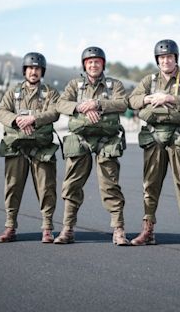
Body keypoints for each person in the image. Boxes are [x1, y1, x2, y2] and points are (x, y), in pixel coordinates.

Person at [128, 39, 180, 248]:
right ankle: (148, 230)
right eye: (162, 57)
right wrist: (150, 100)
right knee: (150, 184)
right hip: (154, 138)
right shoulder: (149, 81)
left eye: (169, 57)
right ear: (157, 60)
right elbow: (133, 101)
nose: (166, 60)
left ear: (175, 58)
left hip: (179, 137)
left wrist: (168, 98)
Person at [54, 46, 129, 245]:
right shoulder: (74, 84)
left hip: (107, 140)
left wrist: (98, 104)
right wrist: (80, 107)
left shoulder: (115, 85)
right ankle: (67, 229)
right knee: (72, 185)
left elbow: (123, 103)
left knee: (110, 185)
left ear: (103, 64)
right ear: (84, 65)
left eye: (97, 61)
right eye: (89, 62)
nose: (93, 65)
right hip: (80, 139)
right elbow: (61, 104)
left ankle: (118, 230)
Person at [0, 52, 60, 243]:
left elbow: (55, 111)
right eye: (30, 68)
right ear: (24, 70)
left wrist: (33, 119)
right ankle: (10, 227)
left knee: (47, 188)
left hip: (42, 148)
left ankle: (47, 228)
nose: (33, 71)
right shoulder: (14, 92)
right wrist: (17, 120)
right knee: (12, 187)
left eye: (37, 68)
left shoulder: (50, 92)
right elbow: (0, 111)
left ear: (42, 71)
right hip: (17, 148)